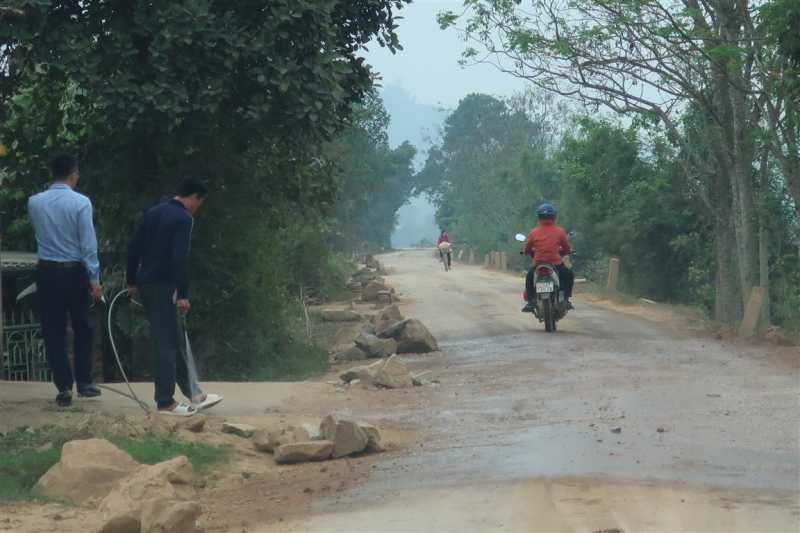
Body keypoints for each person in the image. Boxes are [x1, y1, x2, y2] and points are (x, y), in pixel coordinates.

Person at [125, 177, 222, 417]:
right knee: (166, 344)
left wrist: (131, 279)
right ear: (194, 197)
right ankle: (165, 401)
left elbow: (133, 247)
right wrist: (183, 294)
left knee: (174, 340)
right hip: (164, 287)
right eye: (198, 203)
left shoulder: (153, 213)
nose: (197, 209)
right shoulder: (183, 219)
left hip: (147, 285)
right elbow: (180, 258)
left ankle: (194, 393)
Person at [28, 152, 103, 407]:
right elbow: (88, 244)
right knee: (82, 326)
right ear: (73, 175)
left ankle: (63, 387)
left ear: (52, 174)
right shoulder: (81, 203)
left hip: (47, 272)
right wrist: (94, 278)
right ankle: (84, 382)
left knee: (53, 331)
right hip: (74, 272)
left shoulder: (34, 202)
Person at [522, 204, 575, 313]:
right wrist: (568, 251)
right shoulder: (559, 231)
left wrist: (529, 252)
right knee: (569, 275)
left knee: (529, 278)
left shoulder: (534, 232)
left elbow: (527, 250)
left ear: (539, 217)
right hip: (555, 263)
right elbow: (566, 248)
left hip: (538, 264)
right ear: (554, 216)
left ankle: (531, 302)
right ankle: (566, 299)